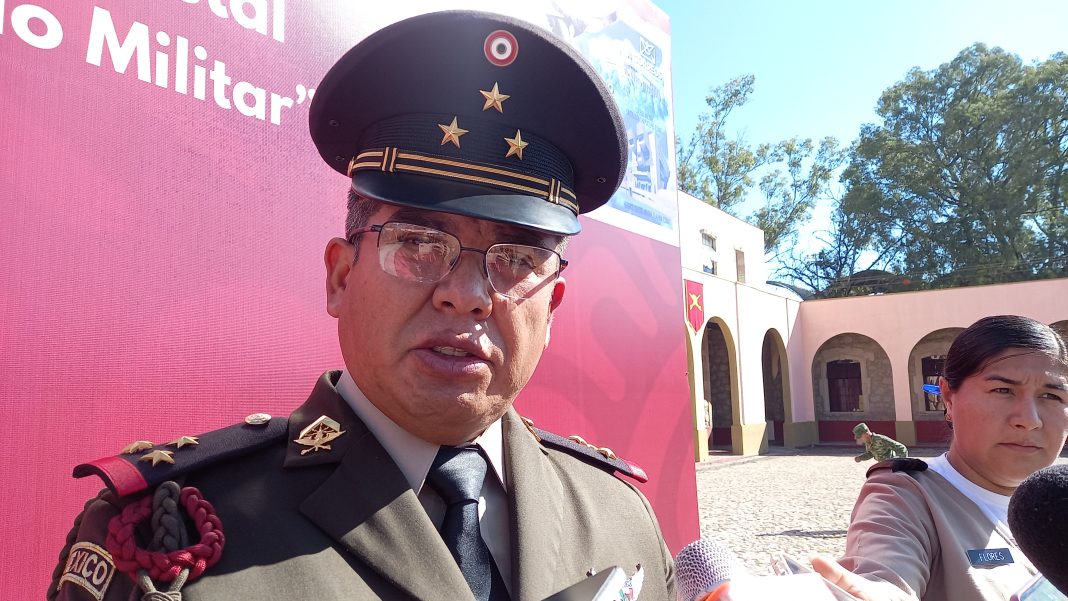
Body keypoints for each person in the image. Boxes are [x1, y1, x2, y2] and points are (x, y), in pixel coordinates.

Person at [49, 11, 675, 601]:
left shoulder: (619, 517)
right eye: (420, 244)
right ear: (341, 277)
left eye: (515, 259)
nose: (467, 295)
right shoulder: (165, 539)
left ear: (553, 306)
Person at [813, 315, 1068, 601]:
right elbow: (886, 572)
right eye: (1003, 390)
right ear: (948, 397)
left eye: (1051, 396)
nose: (1029, 420)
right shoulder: (906, 497)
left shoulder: (1060, 500)